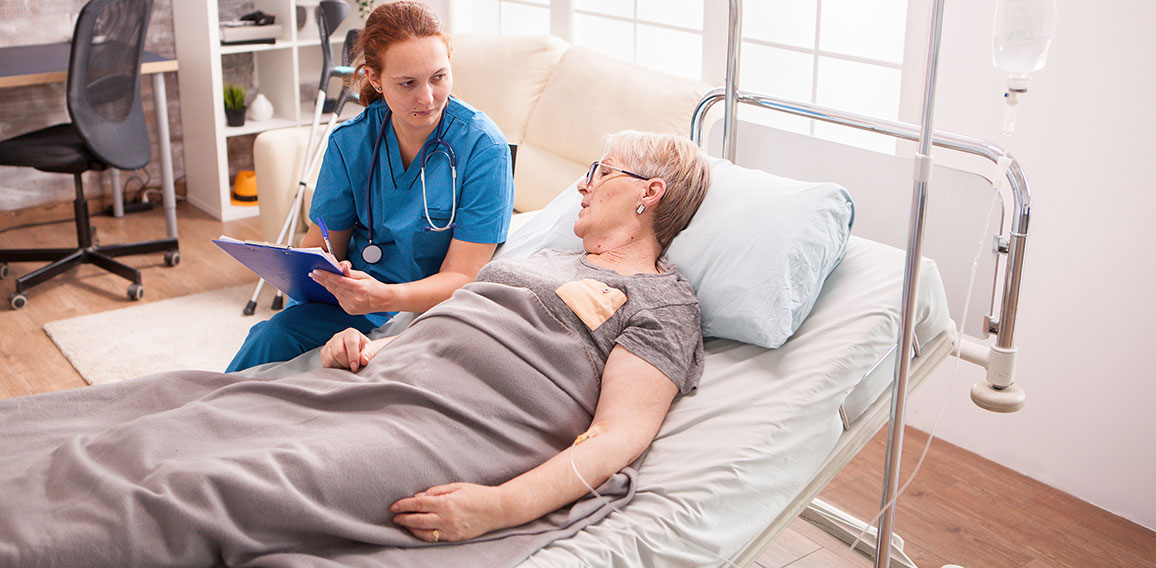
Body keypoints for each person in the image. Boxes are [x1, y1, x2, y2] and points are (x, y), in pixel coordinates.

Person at [0, 131, 711, 566]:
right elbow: (458, 317)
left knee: (211, 486)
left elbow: (616, 436)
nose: (583, 183)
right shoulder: (549, 259)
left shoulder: (663, 304)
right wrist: (366, 341)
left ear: (650, 193)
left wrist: (498, 508)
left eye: (602, 170)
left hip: (456, 430)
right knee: (168, 414)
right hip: (386, 380)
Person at [228, 1, 514, 372]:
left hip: (432, 311)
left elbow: (464, 277)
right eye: (407, 83)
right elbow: (324, 241)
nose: (427, 98)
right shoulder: (351, 142)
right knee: (272, 336)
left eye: (438, 77)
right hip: (353, 305)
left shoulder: (482, 148)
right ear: (375, 78)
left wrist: (383, 297)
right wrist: (312, 272)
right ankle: (203, 419)